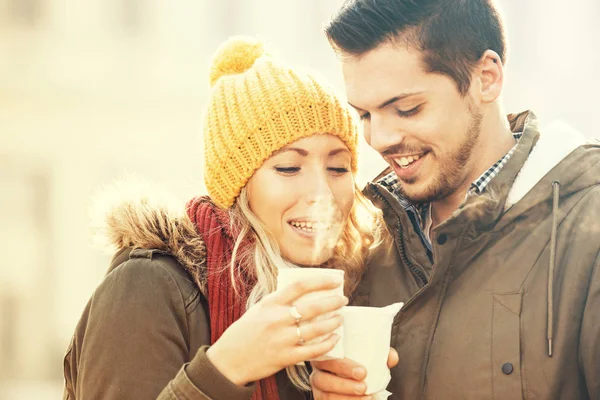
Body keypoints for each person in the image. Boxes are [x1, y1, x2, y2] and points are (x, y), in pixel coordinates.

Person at [62, 36, 382, 400]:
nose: (323, 193)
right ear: (239, 187)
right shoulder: (146, 287)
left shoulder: (343, 300)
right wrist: (225, 368)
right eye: (290, 167)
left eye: (339, 168)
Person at [310, 0, 600, 399]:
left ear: (486, 78)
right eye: (364, 115)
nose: (379, 139)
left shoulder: (588, 228)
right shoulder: (365, 240)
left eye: (406, 109)